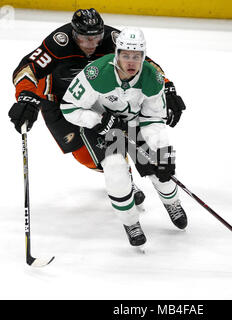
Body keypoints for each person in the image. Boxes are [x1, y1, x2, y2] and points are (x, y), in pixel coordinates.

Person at [8, 8, 186, 205]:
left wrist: (167, 87)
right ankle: (123, 176)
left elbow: (145, 64)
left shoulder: (113, 39)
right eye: (84, 39)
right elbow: (27, 68)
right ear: (74, 33)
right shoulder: (59, 43)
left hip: (96, 100)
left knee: (120, 138)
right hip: (57, 102)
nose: (91, 45)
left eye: (96, 38)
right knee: (84, 155)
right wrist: (26, 97)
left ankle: (122, 178)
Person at [60, 27, 187, 247]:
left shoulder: (153, 78)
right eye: (126, 55)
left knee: (162, 173)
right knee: (117, 173)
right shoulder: (96, 74)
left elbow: (154, 119)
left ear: (143, 56)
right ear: (116, 54)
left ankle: (172, 202)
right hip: (104, 128)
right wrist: (98, 121)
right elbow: (69, 107)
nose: (130, 61)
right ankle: (130, 222)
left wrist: (161, 152)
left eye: (136, 56)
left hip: (137, 123)